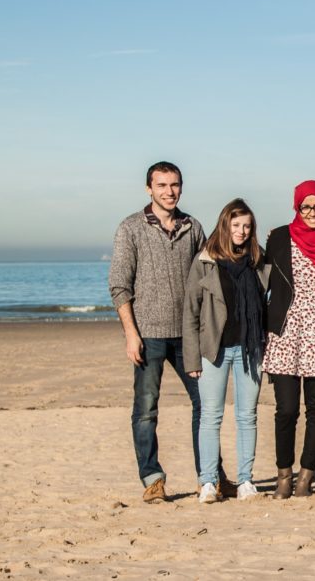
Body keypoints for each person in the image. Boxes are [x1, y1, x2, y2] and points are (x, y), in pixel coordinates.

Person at [109, 161, 224, 503]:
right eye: (162, 185)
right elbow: (118, 286)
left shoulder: (193, 227)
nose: (169, 191)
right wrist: (132, 334)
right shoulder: (130, 228)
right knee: (146, 408)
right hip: (148, 334)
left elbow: (209, 277)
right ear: (149, 188)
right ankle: (153, 478)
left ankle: (210, 477)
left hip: (189, 335)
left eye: (174, 185)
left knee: (206, 404)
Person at [263, 180, 315, 499]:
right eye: (305, 206)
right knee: (285, 409)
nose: (312, 212)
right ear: (296, 208)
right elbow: (262, 278)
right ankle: (284, 473)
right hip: (285, 330)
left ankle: (306, 476)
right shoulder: (280, 237)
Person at [183, 199, 268, 503]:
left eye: (247, 226)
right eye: (236, 225)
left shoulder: (260, 261)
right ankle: (208, 482)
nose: (242, 231)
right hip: (214, 350)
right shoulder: (205, 261)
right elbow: (190, 313)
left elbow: (270, 305)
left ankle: (245, 481)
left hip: (250, 349)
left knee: (247, 416)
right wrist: (192, 357)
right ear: (224, 225)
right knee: (211, 417)